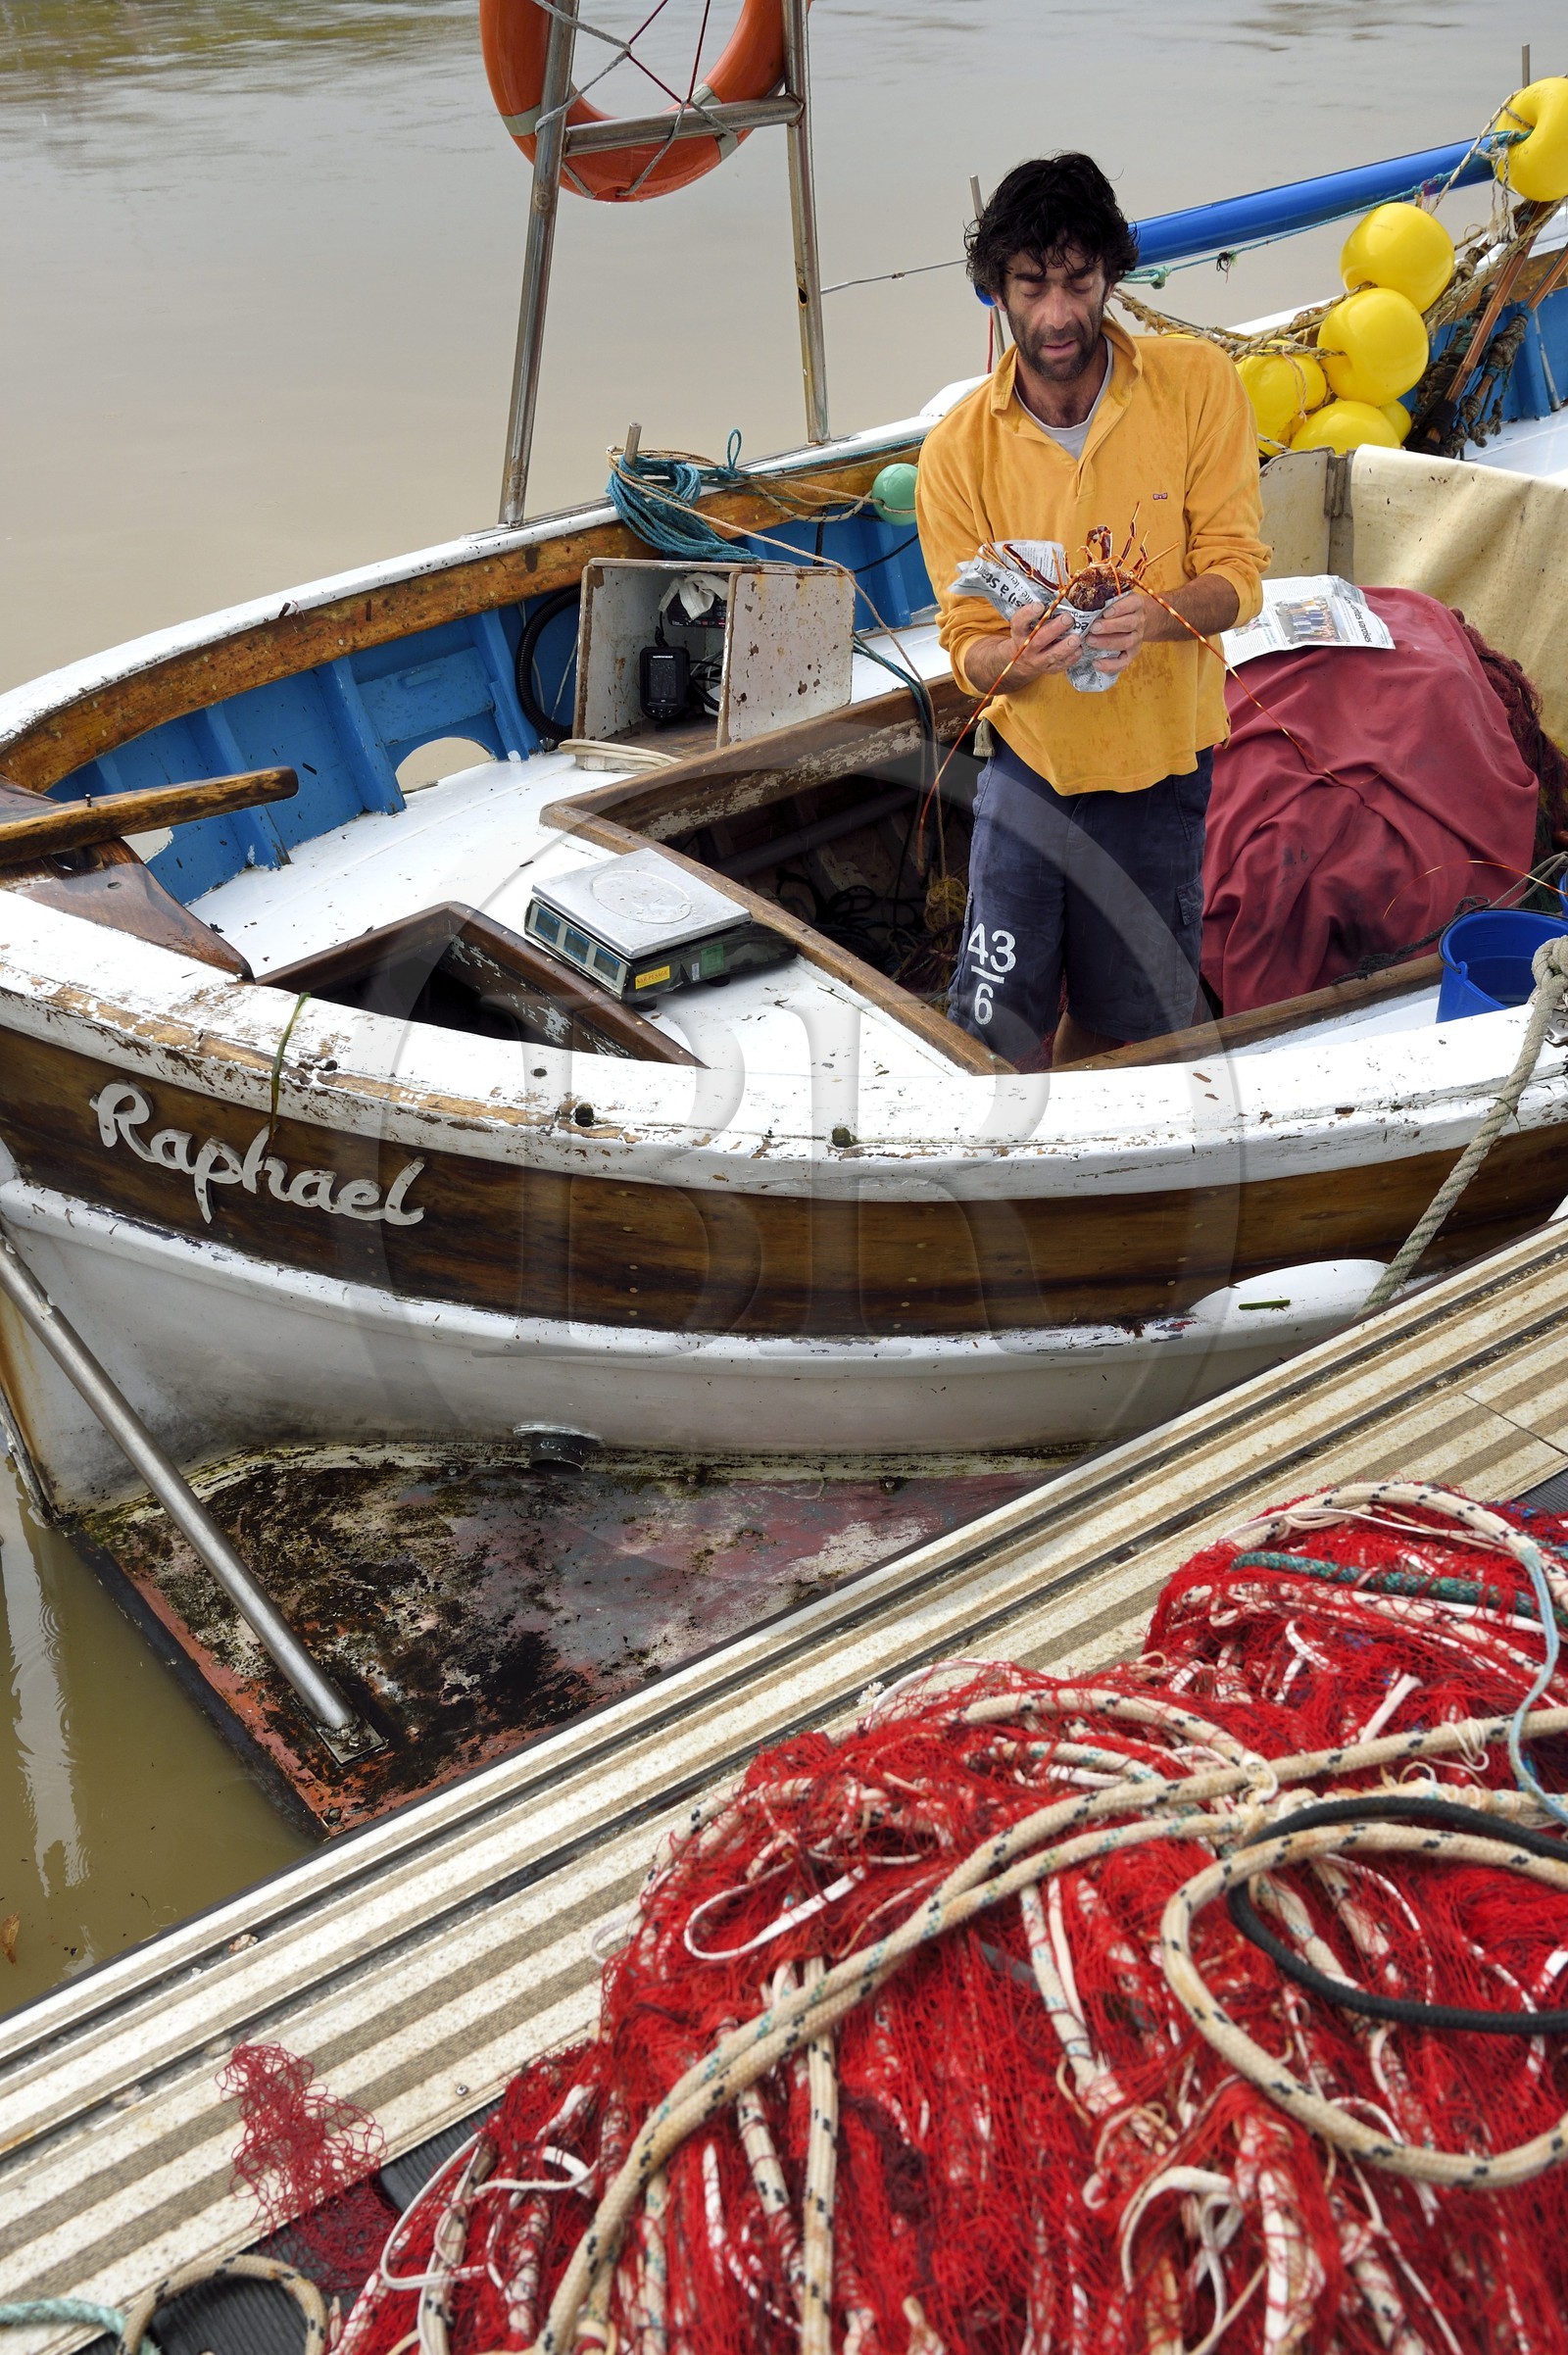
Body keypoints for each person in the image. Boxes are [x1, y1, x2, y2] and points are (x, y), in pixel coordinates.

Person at [915, 153, 1269, 1066]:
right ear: (996, 289)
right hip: (1030, 769)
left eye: (1079, 282)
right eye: (1032, 284)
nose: (1059, 313)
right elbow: (965, 649)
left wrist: (1151, 617)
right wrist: (1017, 656)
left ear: (1111, 275)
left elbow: (1238, 577)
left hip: (1162, 767)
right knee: (992, 1028)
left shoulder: (1199, 387)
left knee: (1133, 1031)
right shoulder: (955, 453)